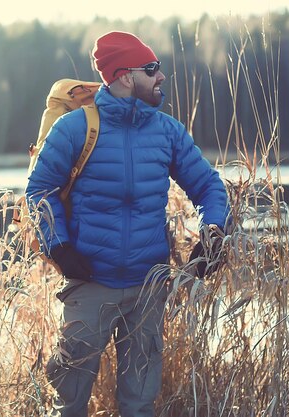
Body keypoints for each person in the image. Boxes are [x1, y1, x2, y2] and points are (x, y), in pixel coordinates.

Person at [25, 31, 229, 417]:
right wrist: (59, 247)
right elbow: (39, 191)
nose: (161, 76)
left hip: (148, 288)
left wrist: (213, 233)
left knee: (139, 404)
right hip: (89, 283)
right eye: (150, 69)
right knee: (68, 402)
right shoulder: (73, 129)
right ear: (123, 76)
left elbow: (208, 187)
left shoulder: (167, 131)